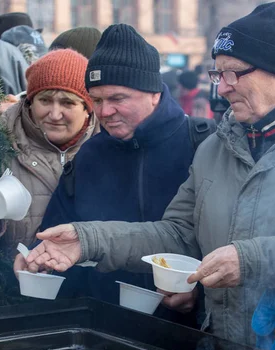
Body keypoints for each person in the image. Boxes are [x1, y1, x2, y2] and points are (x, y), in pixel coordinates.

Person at [20, 2, 275, 348]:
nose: (222, 88)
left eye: (233, 73)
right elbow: (177, 235)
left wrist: (251, 260)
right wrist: (86, 240)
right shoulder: (215, 148)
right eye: (218, 74)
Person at [14, 24, 215, 320]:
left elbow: (234, 247)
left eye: (118, 98)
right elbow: (57, 233)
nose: (104, 112)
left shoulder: (204, 144)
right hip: (106, 333)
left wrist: (201, 296)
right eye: (96, 100)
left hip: (192, 339)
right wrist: (36, 258)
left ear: (154, 94)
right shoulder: (90, 156)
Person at [0, 49, 99, 259]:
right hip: (15, 286)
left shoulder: (112, 149)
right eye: (45, 100)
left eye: (68, 103)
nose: (55, 114)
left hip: (92, 290)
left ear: (87, 108)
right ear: (30, 103)